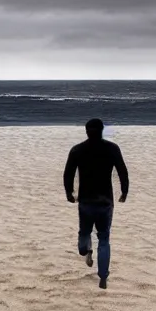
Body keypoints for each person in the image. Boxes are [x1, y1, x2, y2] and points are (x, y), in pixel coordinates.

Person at [63, 118, 129, 289]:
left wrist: (69, 192)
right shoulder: (112, 149)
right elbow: (122, 170)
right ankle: (103, 276)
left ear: (86, 131)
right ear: (102, 130)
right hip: (105, 202)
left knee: (84, 234)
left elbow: (68, 173)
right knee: (104, 238)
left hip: (86, 201)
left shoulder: (78, 150)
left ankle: (86, 251)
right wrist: (124, 191)